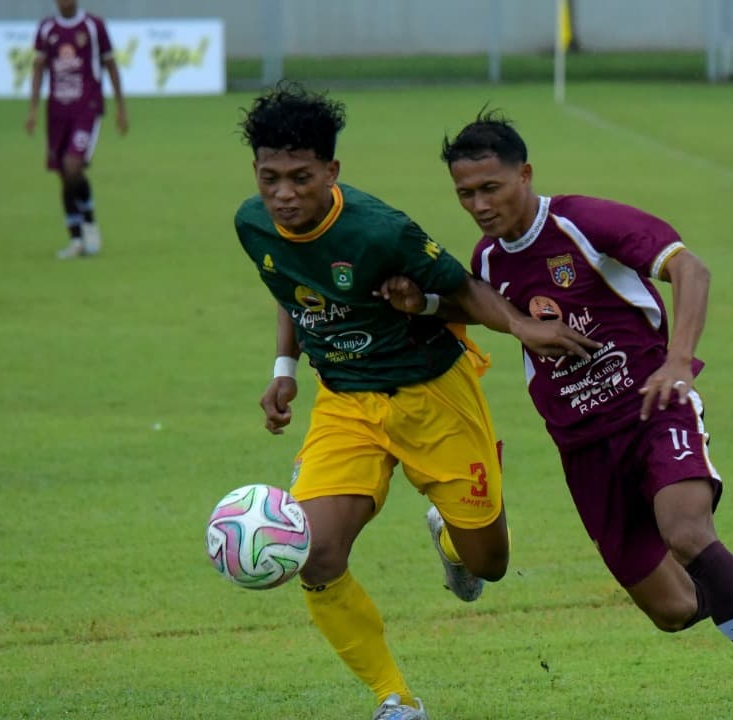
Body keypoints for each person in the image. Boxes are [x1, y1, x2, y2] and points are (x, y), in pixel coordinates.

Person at [379, 113, 733, 720]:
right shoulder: (487, 261)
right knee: (672, 609)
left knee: (687, 533)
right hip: (583, 448)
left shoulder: (582, 221)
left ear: (525, 175)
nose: (479, 205)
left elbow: (691, 269)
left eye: (491, 188)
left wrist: (676, 361)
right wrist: (422, 302)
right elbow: (479, 309)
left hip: (653, 407)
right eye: (466, 194)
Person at [234, 84, 597, 720]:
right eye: (270, 178)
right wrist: (284, 369)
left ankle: (453, 541)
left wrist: (523, 326)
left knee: (490, 564)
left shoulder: (381, 230)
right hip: (346, 403)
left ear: (331, 172)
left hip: (434, 395)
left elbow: (462, 287)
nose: (284, 193)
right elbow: (291, 287)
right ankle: (395, 699)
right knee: (314, 556)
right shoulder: (253, 223)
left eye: (300, 177)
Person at [25, 0, 127, 259]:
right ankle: (75, 239)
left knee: (73, 166)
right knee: (64, 174)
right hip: (57, 112)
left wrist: (121, 107)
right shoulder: (47, 28)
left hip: (87, 109)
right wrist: (33, 110)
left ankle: (89, 222)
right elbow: (38, 68)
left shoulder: (94, 26)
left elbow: (111, 65)